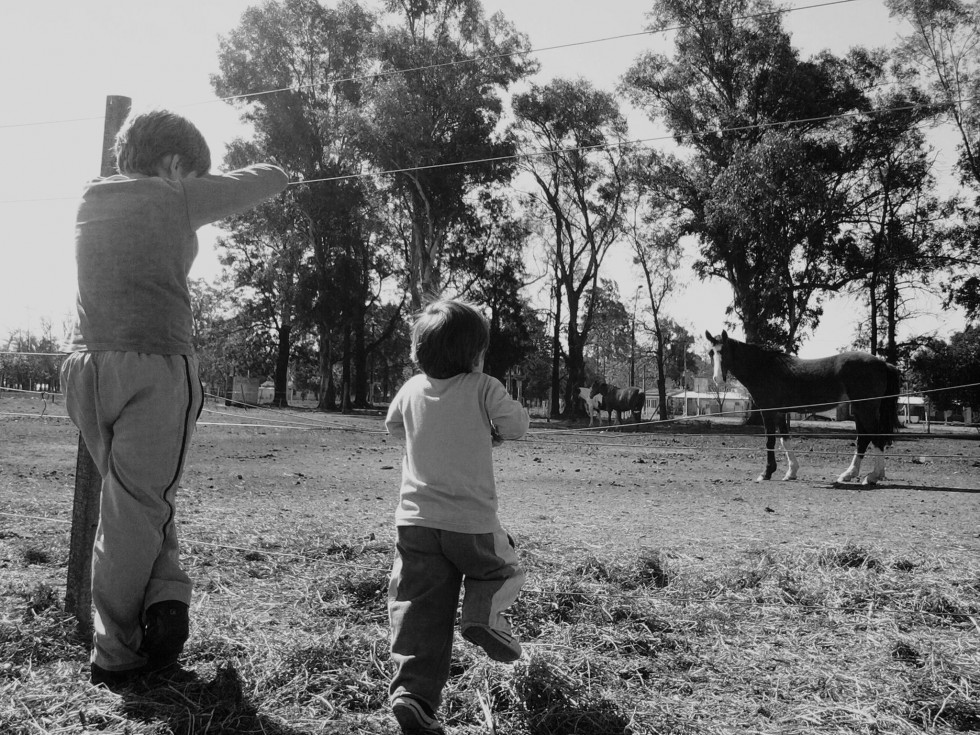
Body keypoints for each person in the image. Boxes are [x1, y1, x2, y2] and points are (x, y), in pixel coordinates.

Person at [60, 109, 289, 687]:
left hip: (86, 368)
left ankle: (165, 606)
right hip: (155, 365)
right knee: (136, 511)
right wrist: (283, 169)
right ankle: (117, 653)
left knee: (138, 498)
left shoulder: (92, 196)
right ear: (173, 164)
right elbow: (257, 183)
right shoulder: (172, 196)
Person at [384, 299, 530, 735]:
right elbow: (517, 426)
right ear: (475, 354)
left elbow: (393, 428)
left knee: (417, 609)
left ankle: (413, 696)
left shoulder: (410, 389)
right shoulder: (483, 386)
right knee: (503, 570)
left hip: (415, 524)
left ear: (418, 351)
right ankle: (482, 615)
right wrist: (490, 430)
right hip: (471, 524)